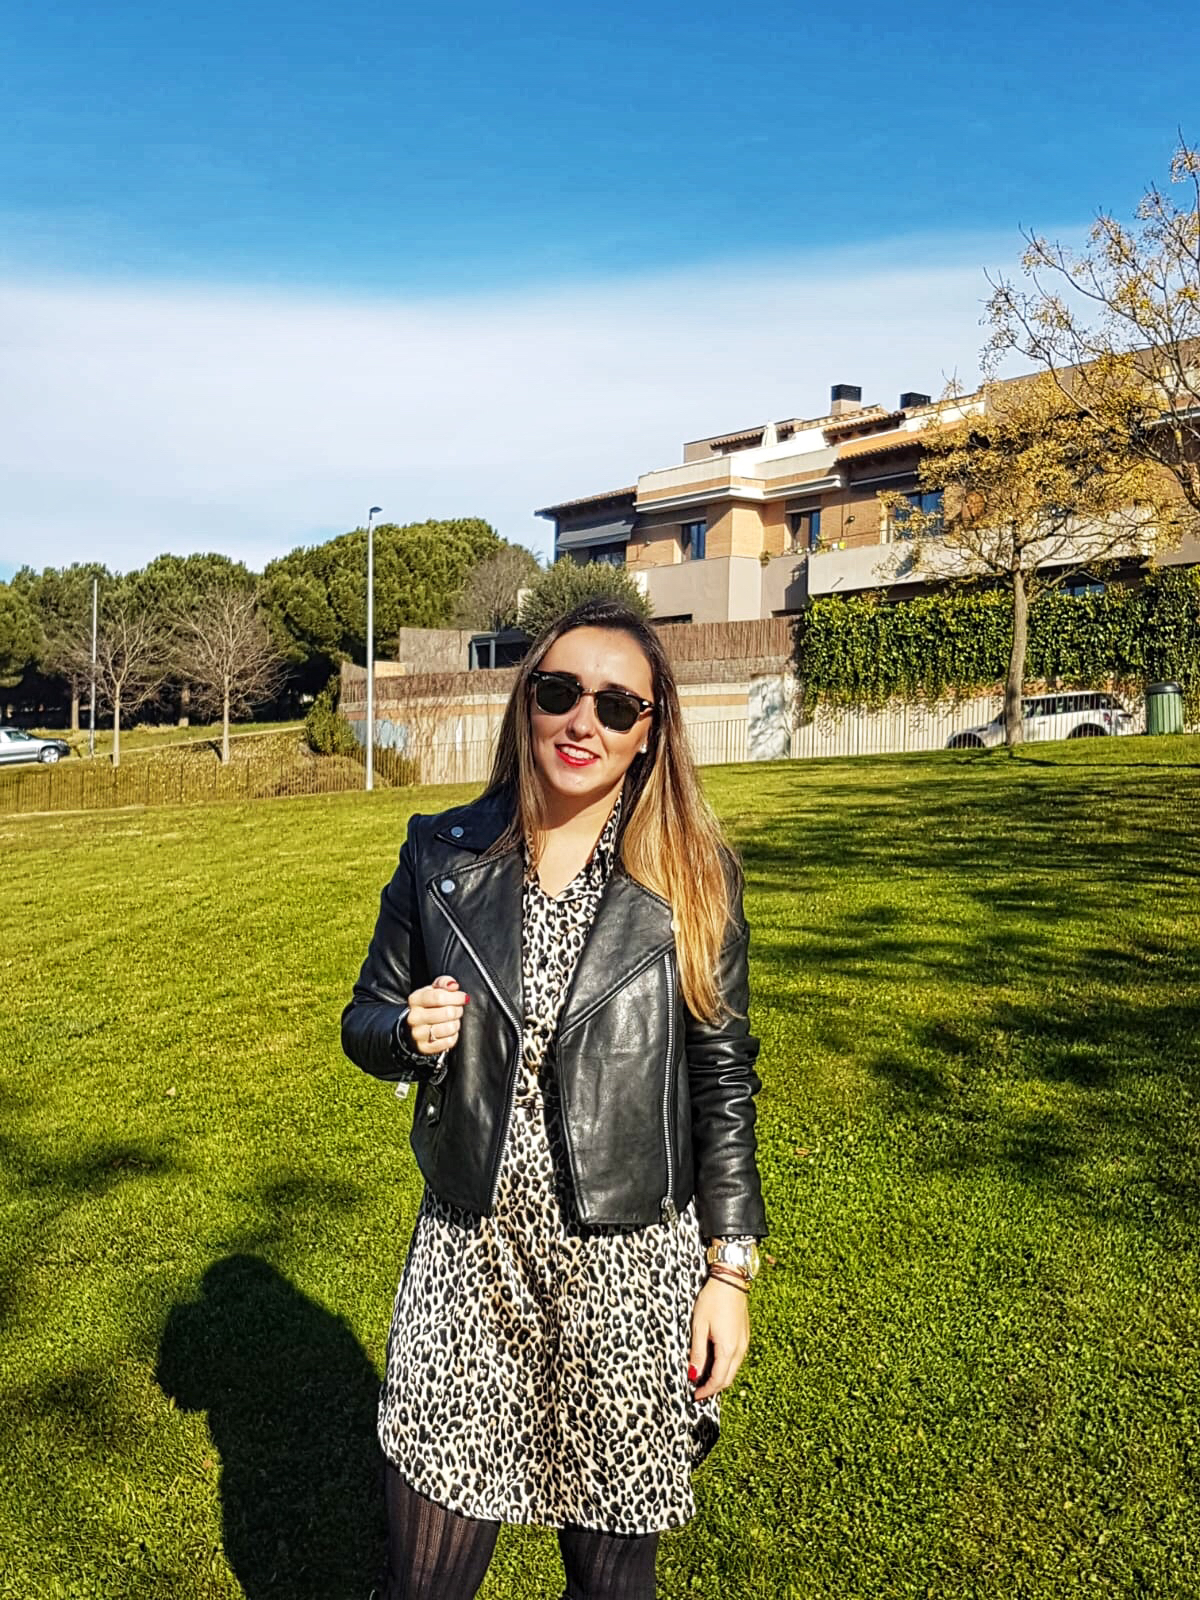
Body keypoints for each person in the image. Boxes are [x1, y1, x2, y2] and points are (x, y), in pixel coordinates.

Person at [342, 599, 767, 1600]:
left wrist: (729, 1270)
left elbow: (722, 1077)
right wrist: (404, 1029)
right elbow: (365, 1016)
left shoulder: (691, 875)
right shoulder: (442, 855)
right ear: (526, 701)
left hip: (629, 1270)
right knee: (425, 1580)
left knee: (610, 1583)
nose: (584, 722)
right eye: (560, 691)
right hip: (469, 1259)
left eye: (617, 706)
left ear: (649, 731)